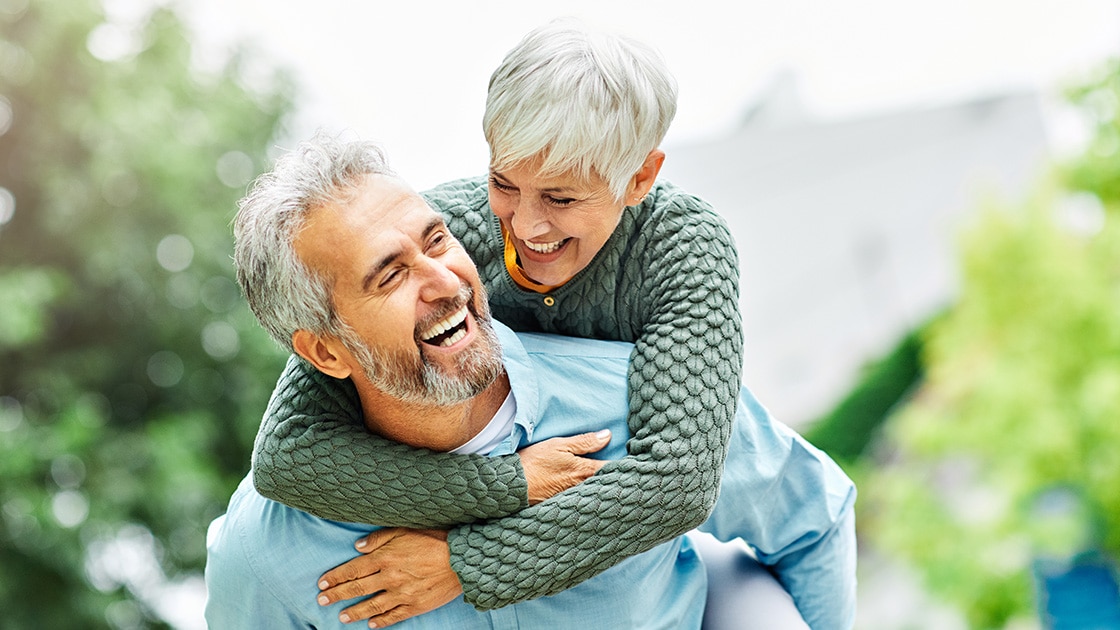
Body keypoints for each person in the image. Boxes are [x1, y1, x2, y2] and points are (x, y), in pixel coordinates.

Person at [205, 135, 857, 629]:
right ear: (325, 351)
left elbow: (812, 518)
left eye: (437, 241)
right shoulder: (265, 553)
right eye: (390, 275)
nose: (444, 283)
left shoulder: (637, 401)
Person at [250, 16, 747, 617]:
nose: (526, 225)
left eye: (561, 197)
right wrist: (508, 484)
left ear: (639, 177)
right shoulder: (441, 236)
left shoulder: (684, 247)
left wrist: (465, 562)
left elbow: (678, 482)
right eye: (504, 183)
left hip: (704, 549)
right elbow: (287, 454)